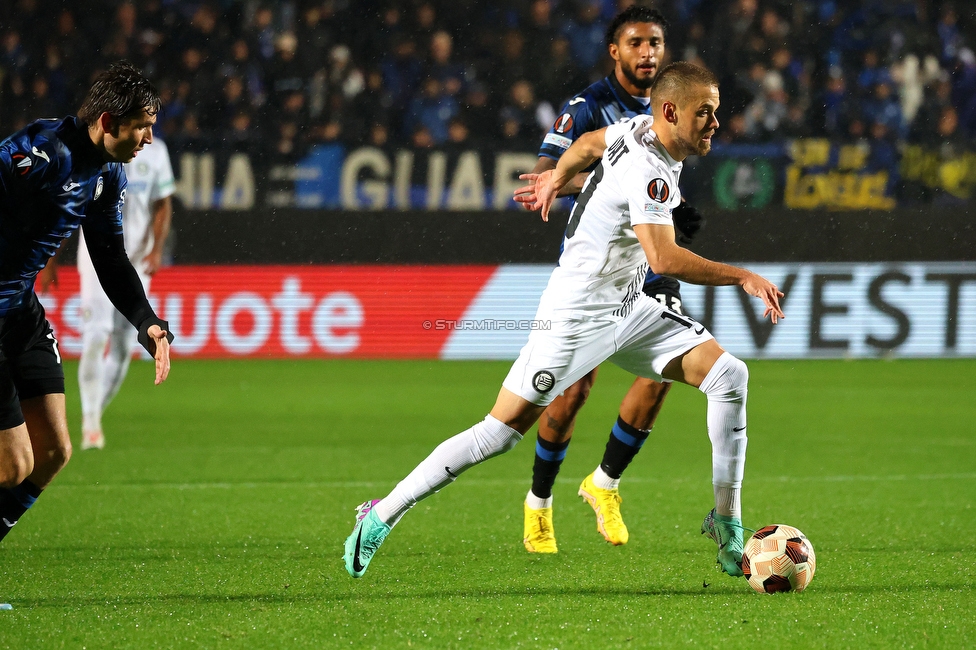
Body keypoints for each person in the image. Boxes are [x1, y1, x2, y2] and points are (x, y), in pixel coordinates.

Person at [344, 62, 784, 580]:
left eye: (715, 111)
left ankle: (726, 523)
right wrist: (743, 278)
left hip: (629, 307)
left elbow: (589, 144)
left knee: (730, 375)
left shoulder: (640, 129)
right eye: (704, 113)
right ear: (670, 112)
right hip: (576, 315)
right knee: (498, 434)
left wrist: (556, 178)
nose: (715, 122)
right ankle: (383, 512)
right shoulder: (653, 171)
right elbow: (664, 260)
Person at [515, 5, 705, 554]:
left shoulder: (676, 102)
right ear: (615, 51)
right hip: (599, 266)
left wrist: (670, 209)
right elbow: (556, 176)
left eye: (656, 43)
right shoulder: (588, 106)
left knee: (665, 371)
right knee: (573, 391)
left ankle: (605, 484)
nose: (648, 53)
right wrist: (631, 198)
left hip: (650, 259)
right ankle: (539, 504)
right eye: (637, 43)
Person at [0, 61, 173, 544]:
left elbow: (111, 258)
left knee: (53, 453)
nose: (147, 139)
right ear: (107, 123)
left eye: (151, 127)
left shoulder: (108, 175)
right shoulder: (40, 153)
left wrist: (148, 322)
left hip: (19, 311)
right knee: (14, 464)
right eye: (141, 127)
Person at [76, 136, 175, 449]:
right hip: (97, 256)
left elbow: (163, 204)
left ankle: (93, 413)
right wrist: (51, 259)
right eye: (144, 120)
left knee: (122, 346)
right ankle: (91, 423)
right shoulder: (95, 150)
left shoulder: (157, 152)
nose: (148, 130)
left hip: (137, 258)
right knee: (95, 337)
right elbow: (70, 205)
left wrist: (157, 249)